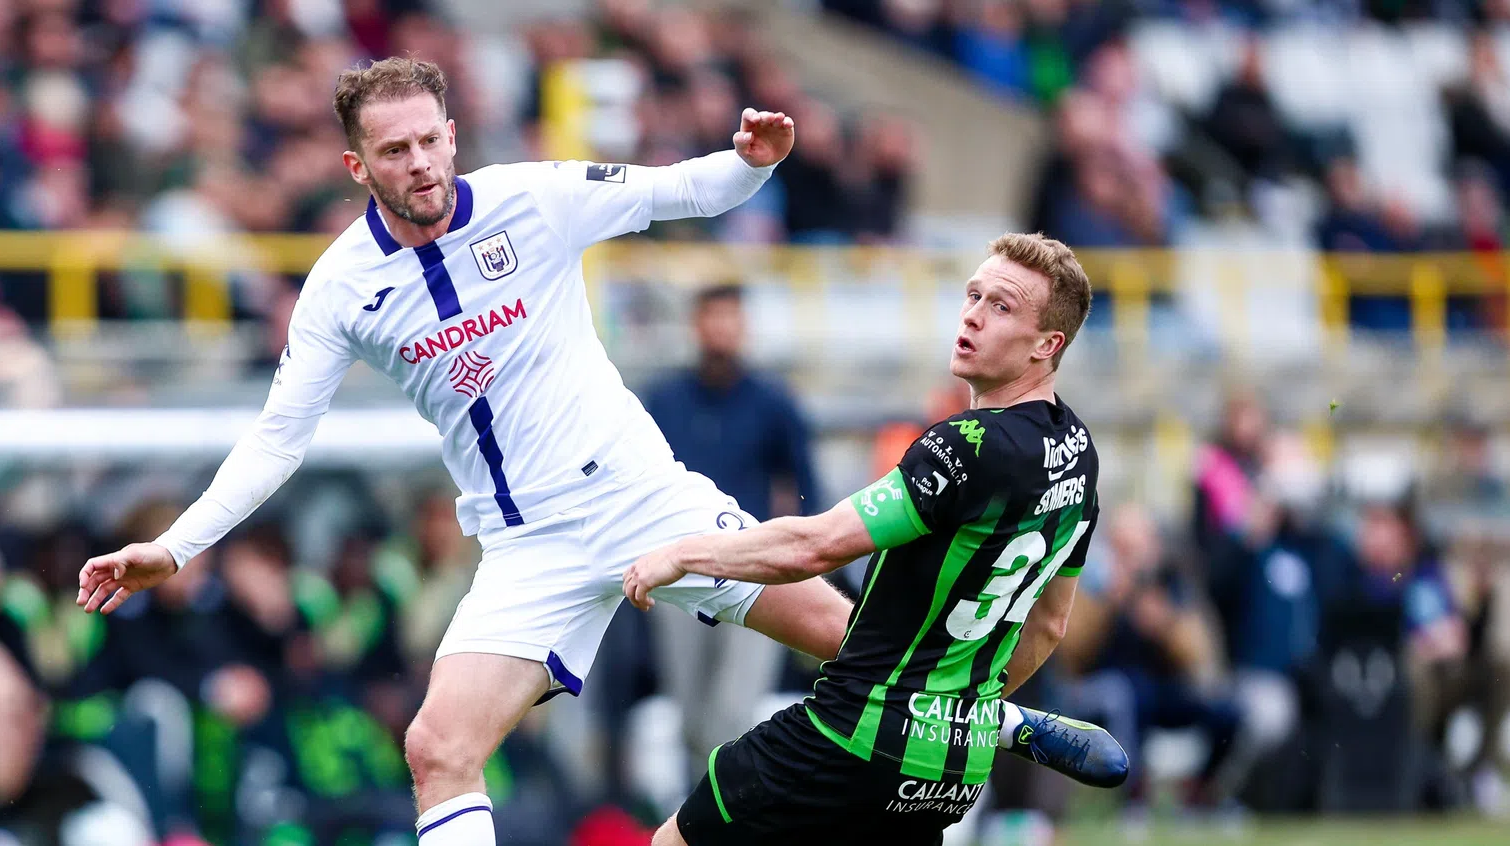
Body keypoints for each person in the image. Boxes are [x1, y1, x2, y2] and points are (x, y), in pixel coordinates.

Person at [76, 58, 1112, 846]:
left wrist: (749, 163)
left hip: (638, 496)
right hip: (523, 546)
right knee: (437, 750)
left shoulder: (530, 198)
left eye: (432, 140)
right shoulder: (341, 289)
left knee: (849, 643)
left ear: (450, 132)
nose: (423, 165)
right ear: (358, 166)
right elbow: (277, 439)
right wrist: (174, 545)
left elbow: (678, 192)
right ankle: (1000, 720)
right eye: (395, 154)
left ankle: (1007, 723)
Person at [625, 233, 1128, 845]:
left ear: (1048, 345)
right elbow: (1050, 626)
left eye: (1001, 307)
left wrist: (682, 553)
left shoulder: (967, 445)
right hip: (952, 771)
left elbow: (816, 546)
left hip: (849, 737)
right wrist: (960, 717)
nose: (971, 314)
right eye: (973, 295)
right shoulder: (1080, 456)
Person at [643, 283, 822, 781]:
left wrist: (799, 560)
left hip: (753, 569)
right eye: (712, 317)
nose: (721, 329)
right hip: (678, 568)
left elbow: (807, 488)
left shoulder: (771, 401)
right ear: (695, 325)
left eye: (730, 318)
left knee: (732, 712)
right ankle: (692, 818)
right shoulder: (666, 399)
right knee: (688, 711)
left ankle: (722, 821)